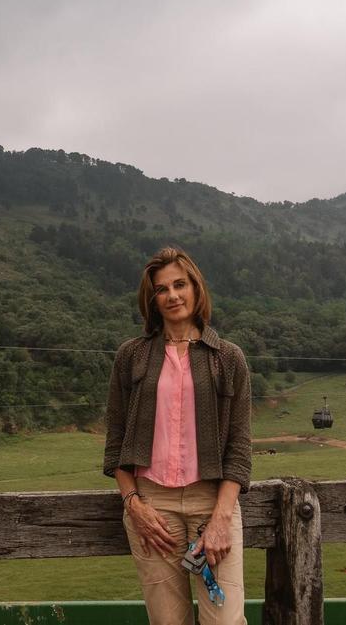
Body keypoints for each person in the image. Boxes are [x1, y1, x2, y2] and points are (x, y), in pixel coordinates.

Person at [103, 247, 252, 625]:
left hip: (212, 503)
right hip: (152, 507)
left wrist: (221, 518)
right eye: (161, 289)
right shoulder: (131, 356)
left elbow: (239, 445)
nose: (172, 295)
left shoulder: (228, 357)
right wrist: (134, 505)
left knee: (226, 621)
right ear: (151, 299)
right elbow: (116, 443)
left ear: (196, 289)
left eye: (180, 284)